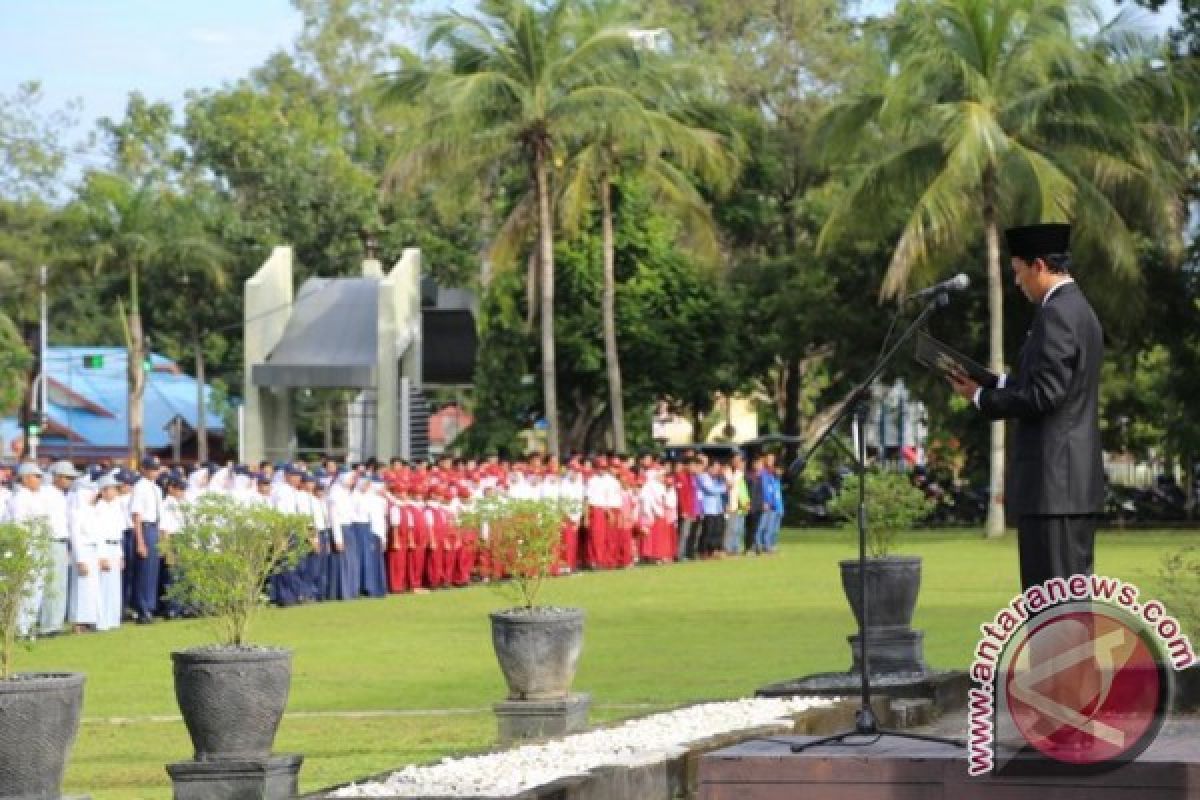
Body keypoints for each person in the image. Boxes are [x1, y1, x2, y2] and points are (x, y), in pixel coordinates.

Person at [948, 223, 1104, 590]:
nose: (1017, 283)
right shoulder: (1078, 310)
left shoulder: (1057, 315)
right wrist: (992, 383)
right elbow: (1047, 385)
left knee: (1054, 607)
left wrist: (980, 398)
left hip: (1054, 486)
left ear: (1039, 266)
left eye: (1018, 272)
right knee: (1066, 605)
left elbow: (1044, 396)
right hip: (1066, 485)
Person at [41, 460, 80, 634]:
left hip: (62, 542)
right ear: (57, 477)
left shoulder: (60, 495)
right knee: (53, 584)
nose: (69, 481)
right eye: (67, 477)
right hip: (51, 541)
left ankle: (56, 622)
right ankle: (49, 624)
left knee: (60, 584)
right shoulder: (46, 493)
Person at [129, 456, 164, 624]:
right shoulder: (140, 487)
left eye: (156, 469)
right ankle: (142, 608)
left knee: (153, 571)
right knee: (144, 570)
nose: (154, 472)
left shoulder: (156, 489)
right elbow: (137, 515)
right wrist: (140, 541)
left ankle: (150, 606)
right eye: (151, 469)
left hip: (155, 527)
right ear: (143, 469)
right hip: (145, 527)